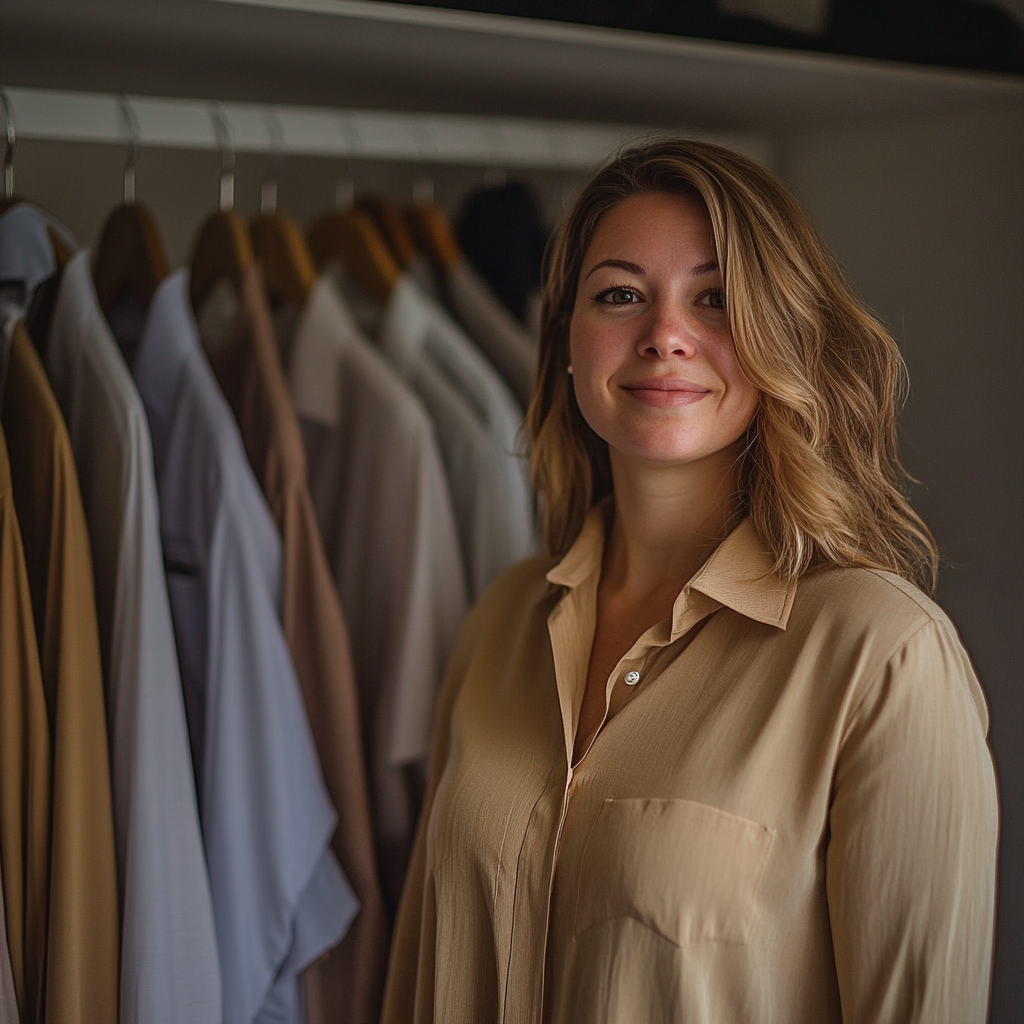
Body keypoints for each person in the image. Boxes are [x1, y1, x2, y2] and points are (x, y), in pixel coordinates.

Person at [380, 139, 999, 1023]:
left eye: (714, 298)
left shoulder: (885, 659)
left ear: (782, 333)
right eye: (620, 295)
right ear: (563, 342)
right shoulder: (501, 620)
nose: (665, 333)